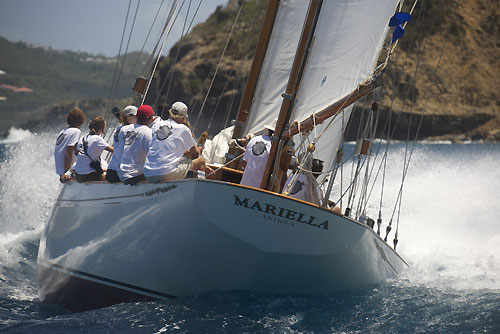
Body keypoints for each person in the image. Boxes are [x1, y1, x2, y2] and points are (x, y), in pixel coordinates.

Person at [143, 102, 201, 182]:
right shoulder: (183, 129)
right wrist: (197, 150)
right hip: (166, 175)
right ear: (183, 116)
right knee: (196, 162)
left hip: (148, 173)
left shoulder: (157, 125)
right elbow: (195, 155)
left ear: (170, 112)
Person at [118, 105, 155, 185]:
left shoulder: (123, 129)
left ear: (137, 116)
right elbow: (152, 155)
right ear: (151, 119)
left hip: (121, 173)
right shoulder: (148, 132)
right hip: (135, 175)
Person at [74, 116, 114, 183]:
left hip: (78, 175)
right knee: (111, 177)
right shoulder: (97, 139)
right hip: (89, 175)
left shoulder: (82, 138)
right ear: (102, 128)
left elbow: (76, 152)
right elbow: (113, 150)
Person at [106, 105, 137, 183]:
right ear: (128, 116)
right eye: (136, 116)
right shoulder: (131, 129)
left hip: (111, 171)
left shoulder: (118, 128)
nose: (138, 118)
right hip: (121, 172)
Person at [54, 108, 86, 183]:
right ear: (82, 120)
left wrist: (62, 174)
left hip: (61, 172)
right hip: (67, 173)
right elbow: (68, 152)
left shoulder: (63, 132)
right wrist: (66, 173)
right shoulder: (76, 131)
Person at [239, 122, 275, 188]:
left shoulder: (254, 139)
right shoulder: (274, 147)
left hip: (243, 185)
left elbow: (244, 163)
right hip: (258, 189)